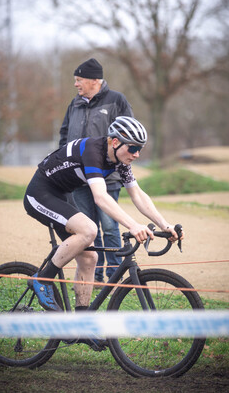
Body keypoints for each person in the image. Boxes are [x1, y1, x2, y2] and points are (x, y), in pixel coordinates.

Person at [24, 116, 182, 350]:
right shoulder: (93, 151)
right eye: (134, 148)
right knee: (89, 230)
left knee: (90, 257)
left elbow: (137, 194)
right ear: (115, 142)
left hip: (61, 194)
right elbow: (100, 197)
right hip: (40, 194)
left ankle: (82, 324)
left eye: (141, 149)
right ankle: (42, 279)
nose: (137, 154)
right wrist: (132, 225)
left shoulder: (120, 160)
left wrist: (163, 224)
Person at [59, 58, 133, 285]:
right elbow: (64, 135)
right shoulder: (75, 104)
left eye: (79, 80)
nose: (76, 84)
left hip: (107, 179)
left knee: (110, 228)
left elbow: (128, 134)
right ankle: (95, 275)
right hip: (79, 180)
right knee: (89, 229)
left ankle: (114, 276)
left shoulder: (116, 100)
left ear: (94, 80)